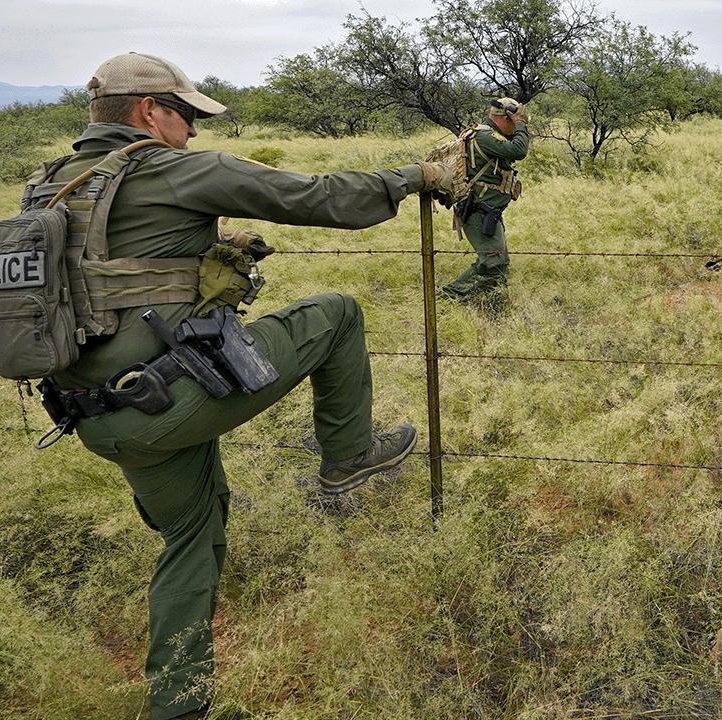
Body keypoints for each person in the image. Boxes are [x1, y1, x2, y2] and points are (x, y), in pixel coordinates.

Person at [40, 52, 453, 720]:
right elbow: (317, 196)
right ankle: (348, 458)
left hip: (94, 415)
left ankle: (178, 707)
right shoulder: (171, 167)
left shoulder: (55, 184)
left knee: (191, 536)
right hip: (172, 398)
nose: (194, 132)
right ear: (150, 111)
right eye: (187, 115)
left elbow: (102, 263)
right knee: (338, 314)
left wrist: (210, 238)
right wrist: (419, 175)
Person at [438, 97, 531, 301]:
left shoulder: (489, 134)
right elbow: (519, 150)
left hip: (489, 210)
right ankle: (445, 298)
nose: (515, 129)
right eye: (513, 123)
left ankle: (495, 303)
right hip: (479, 210)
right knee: (492, 261)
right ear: (505, 119)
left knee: (501, 262)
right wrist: (522, 124)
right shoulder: (485, 136)